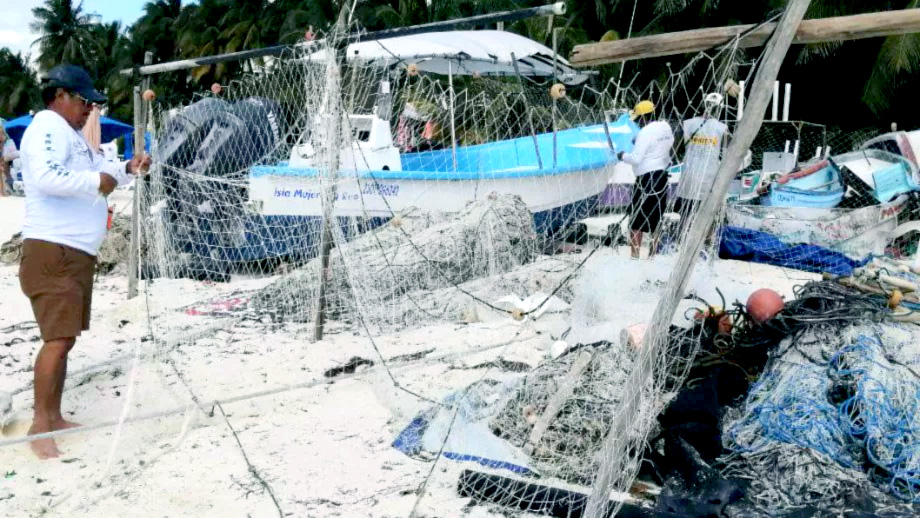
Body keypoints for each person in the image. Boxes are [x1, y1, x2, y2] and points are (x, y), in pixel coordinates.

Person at [18, 64, 151, 459]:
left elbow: (97, 171)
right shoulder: (46, 126)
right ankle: (40, 424)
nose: (89, 110)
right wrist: (97, 182)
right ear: (60, 96)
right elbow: (44, 177)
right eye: (84, 101)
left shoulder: (72, 136)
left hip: (73, 252)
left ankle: (54, 416)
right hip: (53, 249)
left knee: (66, 338)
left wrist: (125, 170)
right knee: (56, 341)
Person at [618, 100, 675, 259]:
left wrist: (622, 155)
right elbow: (664, 144)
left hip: (646, 180)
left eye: (638, 119)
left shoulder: (645, 132)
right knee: (657, 217)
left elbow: (636, 159)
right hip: (662, 178)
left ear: (643, 118)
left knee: (636, 220)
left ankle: (635, 256)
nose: (637, 122)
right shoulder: (666, 127)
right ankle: (653, 256)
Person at [674, 93, 730, 236]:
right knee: (706, 214)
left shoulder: (688, 123)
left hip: (691, 175)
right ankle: (705, 242)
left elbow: (678, 147)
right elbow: (727, 150)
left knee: (685, 214)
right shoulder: (722, 128)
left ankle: (682, 239)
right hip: (707, 177)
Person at [0, 128, 18, 196]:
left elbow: (9, 154)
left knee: (6, 173)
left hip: (7, 160)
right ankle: (4, 191)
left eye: (2, 134)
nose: (1, 136)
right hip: (5, 160)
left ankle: (7, 190)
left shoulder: (8, 141)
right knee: (6, 173)